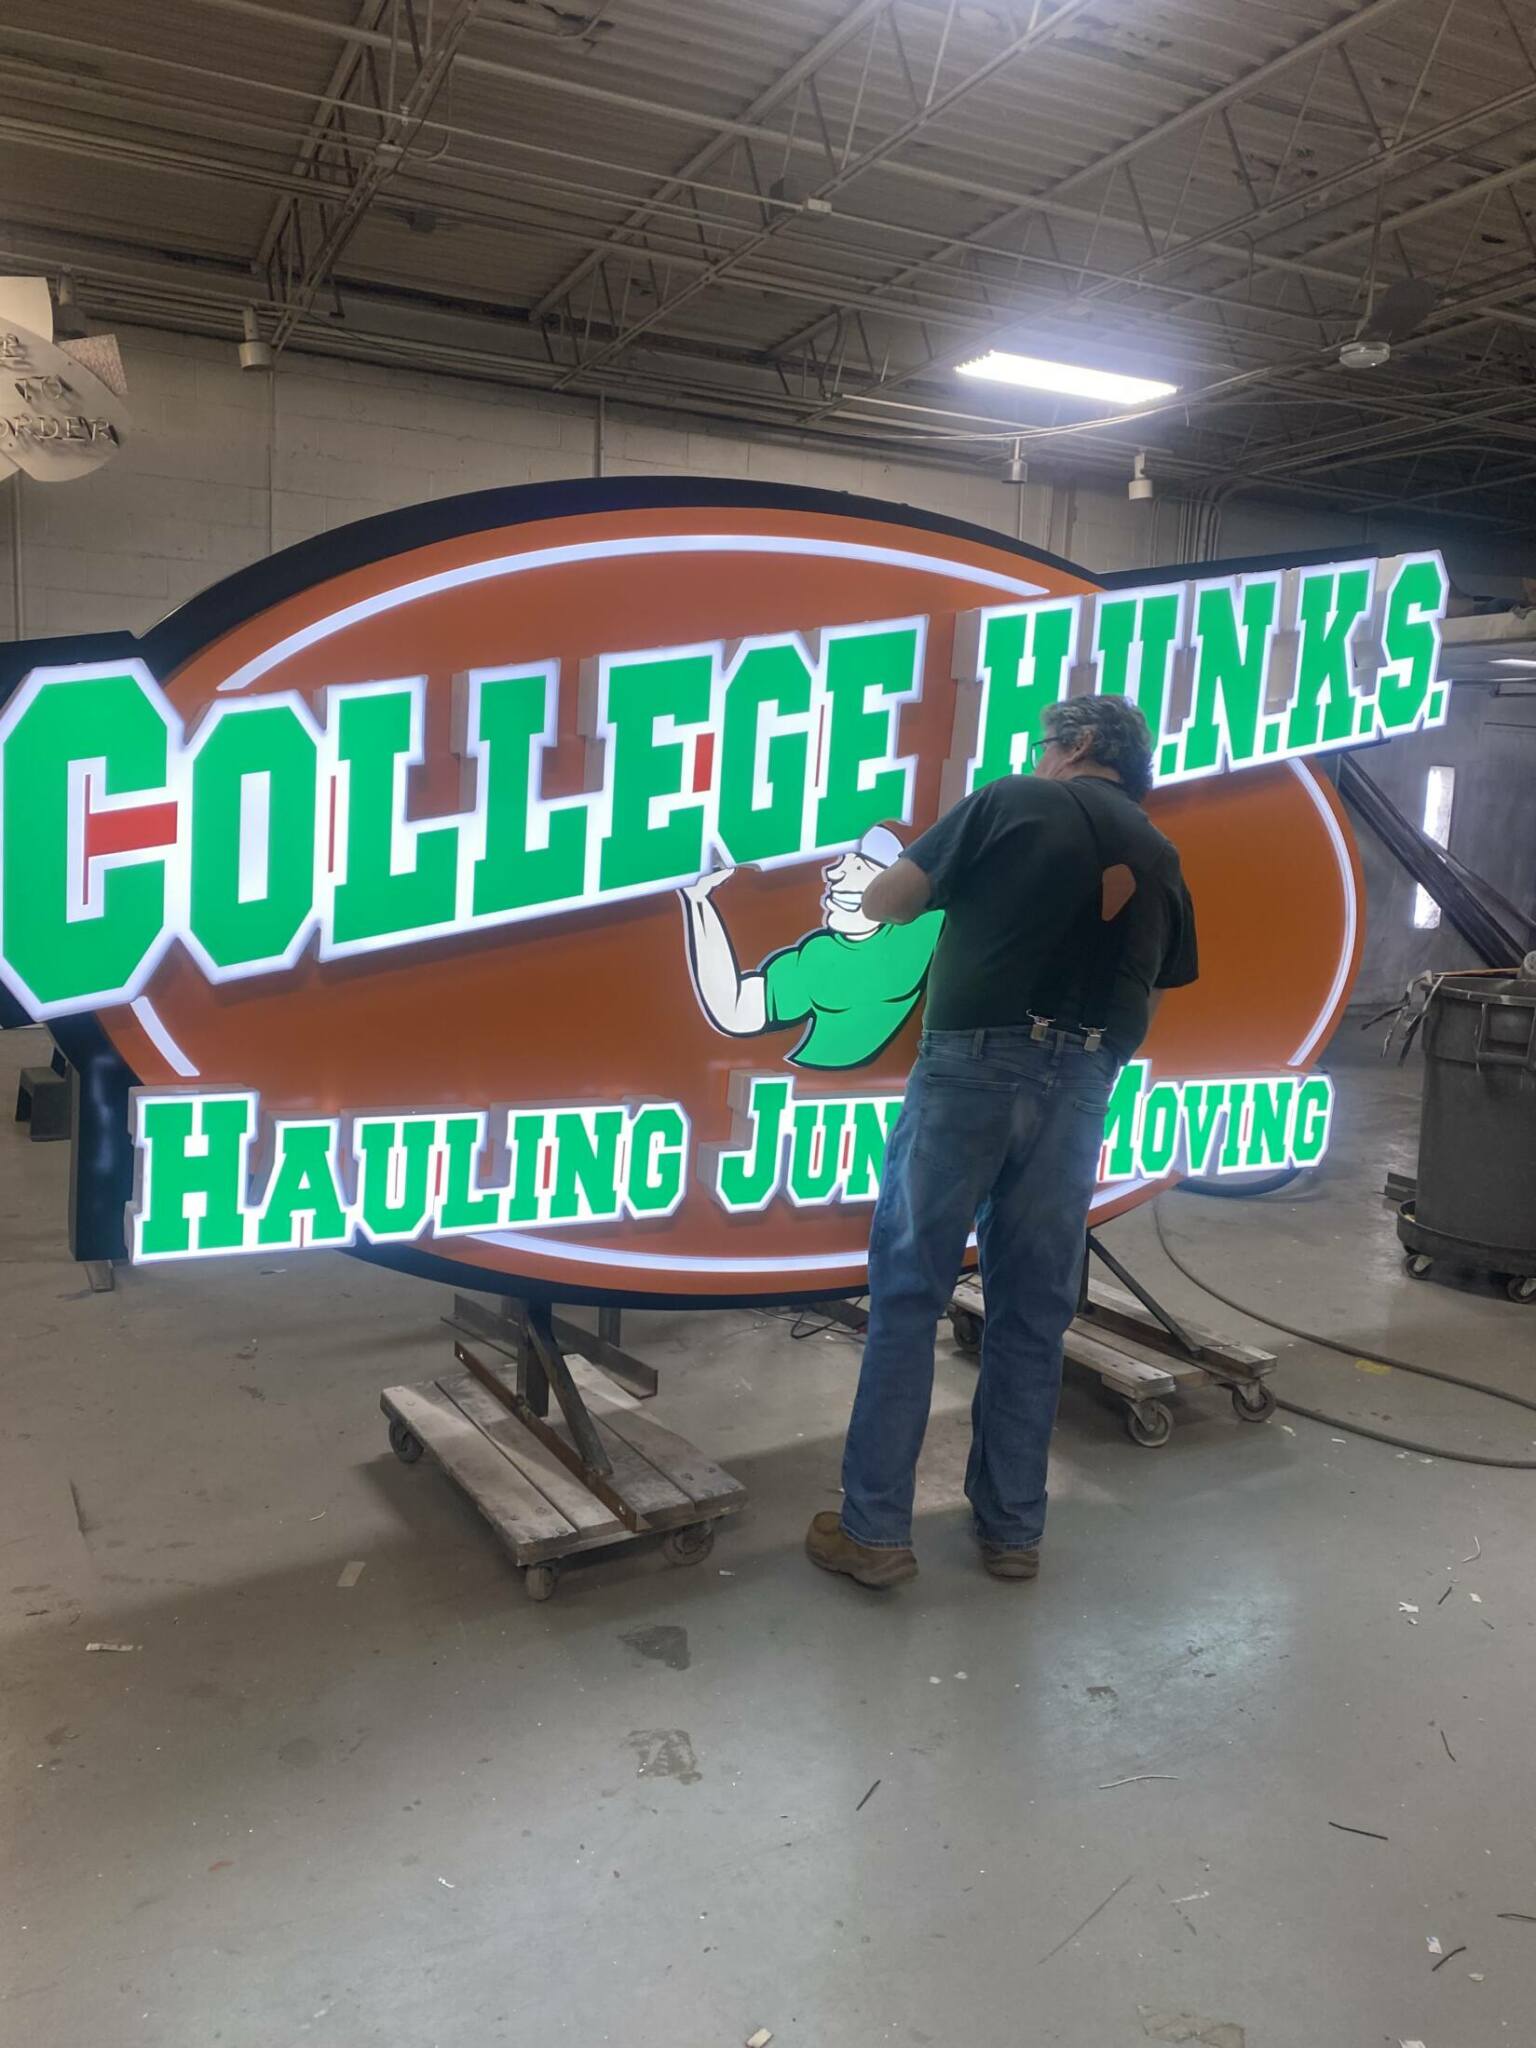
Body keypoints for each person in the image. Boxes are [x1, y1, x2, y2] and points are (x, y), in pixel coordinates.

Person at [806, 695, 1198, 1588]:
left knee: (909, 1295)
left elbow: (889, 901)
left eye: (1043, 742)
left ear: (1080, 745)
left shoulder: (1014, 799)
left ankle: (874, 1533)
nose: (1037, 753)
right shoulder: (1159, 850)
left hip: (973, 1068)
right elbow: (1159, 980)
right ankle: (1013, 1530)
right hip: (1086, 1080)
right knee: (1032, 1310)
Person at [679, 825, 943, 1071]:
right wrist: (698, 901)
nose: (833, 873)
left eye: (858, 867)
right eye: (841, 863)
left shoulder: (922, 926)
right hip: (791, 1092)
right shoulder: (817, 958)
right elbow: (735, 1009)